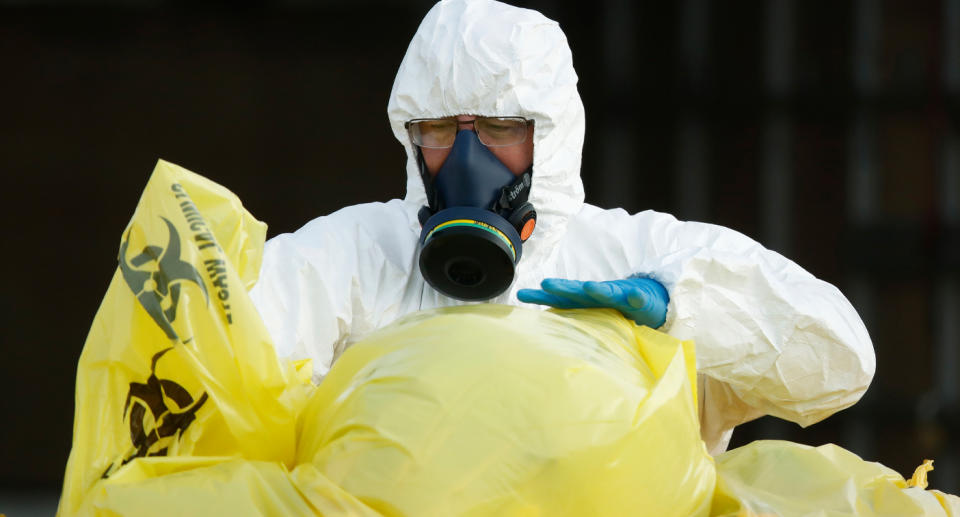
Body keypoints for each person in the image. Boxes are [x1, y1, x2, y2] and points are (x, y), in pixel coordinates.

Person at [250, 0, 875, 454]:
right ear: (410, 135)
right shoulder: (358, 255)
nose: (468, 161)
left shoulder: (635, 256)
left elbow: (841, 363)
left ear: (550, 134)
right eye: (439, 130)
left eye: (499, 130)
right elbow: (225, 357)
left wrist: (682, 312)